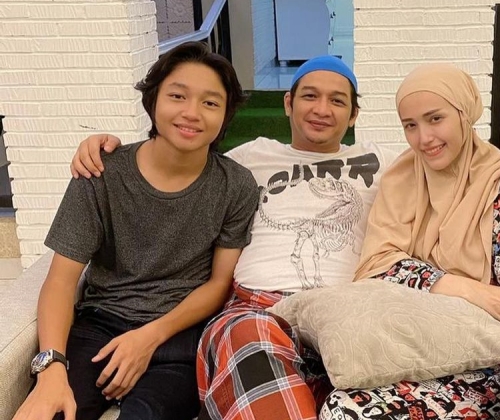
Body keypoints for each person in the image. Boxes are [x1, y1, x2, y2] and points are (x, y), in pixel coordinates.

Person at [68, 55, 399, 419]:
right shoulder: (247, 159)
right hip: (257, 309)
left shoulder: (386, 161)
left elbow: (443, 164)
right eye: (309, 96)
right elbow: (179, 151)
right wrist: (104, 146)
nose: (322, 109)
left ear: (353, 115)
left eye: (337, 101)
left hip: (345, 308)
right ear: (288, 103)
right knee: (248, 336)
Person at [13, 41, 258, 420]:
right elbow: (61, 280)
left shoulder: (235, 185)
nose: (192, 113)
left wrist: (149, 337)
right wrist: (51, 369)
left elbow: (218, 283)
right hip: (100, 323)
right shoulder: (100, 171)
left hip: (179, 334)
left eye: (210, 102)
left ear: (225, 115)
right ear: (153, 100)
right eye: (177, 96)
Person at [319, 63, 500, 420]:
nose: (424, 138)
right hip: (412, 349)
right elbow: (376, 268)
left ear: (464, 114)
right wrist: (470, 290)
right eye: (410, 125)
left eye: (435, 119)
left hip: (491, 362)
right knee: (340, 408)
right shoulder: (401, 180)